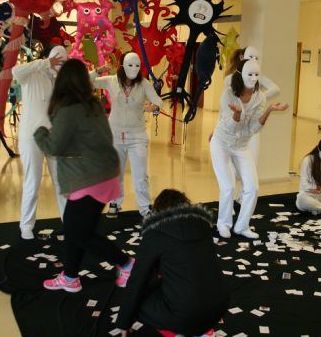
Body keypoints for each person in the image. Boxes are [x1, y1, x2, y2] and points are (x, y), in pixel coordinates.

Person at [33, 59, 134, 293]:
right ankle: (70, 277)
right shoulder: (94, 105)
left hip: (90, 178)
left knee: (80, 233)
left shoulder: (68, 110)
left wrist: (39, 133)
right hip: (104, 173)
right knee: (74, 229)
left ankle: (127, 264)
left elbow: (54, 147)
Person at [118, 189, 229, 336]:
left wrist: (124, 321)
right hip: (219, 308)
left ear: (158, 212)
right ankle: (202, 330)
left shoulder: (155, 233)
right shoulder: (203, 225)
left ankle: (176, 331)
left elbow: (137, 281)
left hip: (186, 315)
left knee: (139, 302)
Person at [211, 59, 289, 239]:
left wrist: (269, 110)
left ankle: (242, 226)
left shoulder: (259, 97)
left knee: (252, 187)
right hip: (221, 142)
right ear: (240, 74)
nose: (254, 79)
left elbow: (253, 128)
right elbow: (230, 128)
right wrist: (237, 115)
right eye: (250, 74)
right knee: (228, 186)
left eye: (256, 75)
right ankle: (223, 224)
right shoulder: (228, 95)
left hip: (242, 145)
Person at [92, 52, 163, 217]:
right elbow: (88, 82)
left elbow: (157, 100)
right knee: (116, 173)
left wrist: (153, 107)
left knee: (140, 176)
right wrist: (98, 70)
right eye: (130, 65)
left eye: (137, 65)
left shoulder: (144, 84)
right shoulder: (111, 81)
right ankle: (115, 203)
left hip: (137, 136)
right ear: (122, 66)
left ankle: (145, 208)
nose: (134, 69)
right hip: (115, 135)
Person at [12, 45, 68, 239]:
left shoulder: (59, 83)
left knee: (61, 181)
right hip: (31, 137)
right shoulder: (32, 75)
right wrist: (45, 63)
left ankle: (68, 222)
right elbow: (15, 71)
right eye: (57, 61)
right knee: (32, 180)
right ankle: (26, 225)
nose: (59, 65)